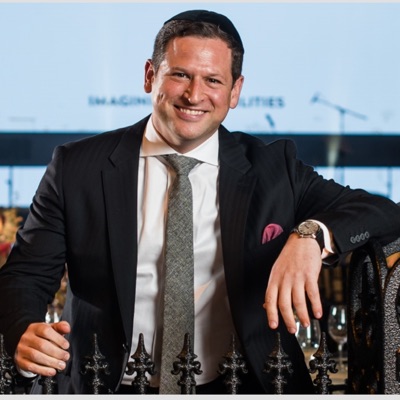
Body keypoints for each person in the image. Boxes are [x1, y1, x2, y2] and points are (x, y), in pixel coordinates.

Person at [0, 9, 400, 395]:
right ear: (150, 75)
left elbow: (383, 212)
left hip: (243, 386)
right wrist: (22, 332)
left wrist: (311, 236)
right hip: (105, 384)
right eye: (180, 75)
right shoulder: (76, 167)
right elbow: (25, 275)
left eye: (213, 80)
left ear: (235, 91)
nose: (195, 95)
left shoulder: (273, 168)